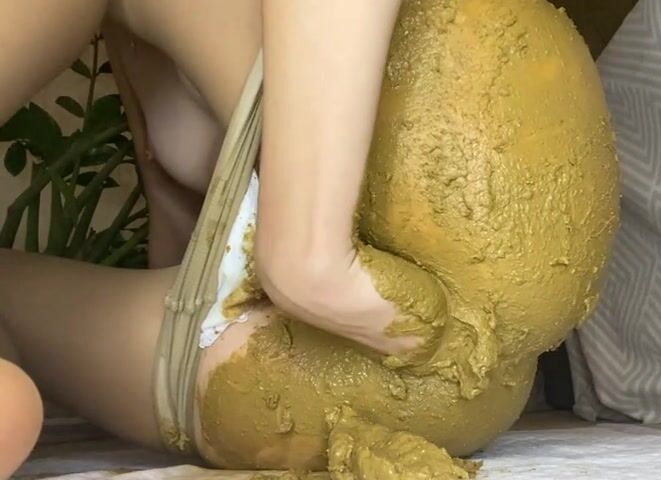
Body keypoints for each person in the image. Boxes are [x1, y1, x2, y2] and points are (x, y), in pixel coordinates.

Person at [0, 0, 618, 475]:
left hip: (376, 340)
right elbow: (185, 224)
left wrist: (314, 265)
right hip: (447, 382)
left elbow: (279, 259)